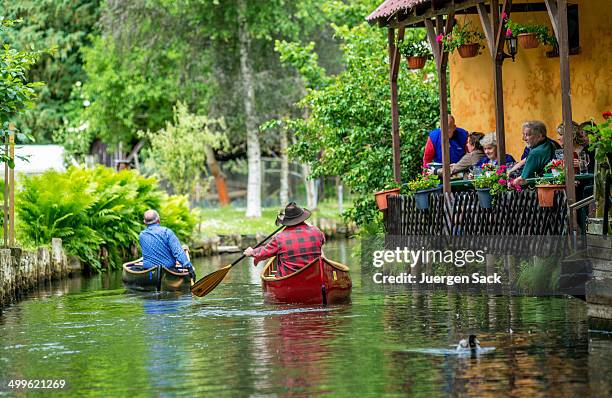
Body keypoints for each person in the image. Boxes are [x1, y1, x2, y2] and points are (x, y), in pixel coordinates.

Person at [243, 202, 325, 278]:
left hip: (289, 278)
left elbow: (264, 252)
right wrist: (311, 227)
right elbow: (322, 241)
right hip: (314, 276)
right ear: (303, 218)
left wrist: (252, 252)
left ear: (286, 221)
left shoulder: (279, 238)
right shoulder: (317, 232)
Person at [139, 209, 196, 280]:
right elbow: (178, 252)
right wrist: (189, 267)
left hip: (150, 273)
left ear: (145, 223)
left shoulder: (141, 235)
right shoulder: (167, 232)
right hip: (168, 271)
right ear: (158, 220)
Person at [513, 121, 556, 185]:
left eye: (527, 135)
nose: (524, 139)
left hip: (541, 189)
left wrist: (510, 183)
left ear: (539, 136)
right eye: (523, 134)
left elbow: (522, 179)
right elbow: (525, 160)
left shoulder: (535, 153)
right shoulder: (551, 144)